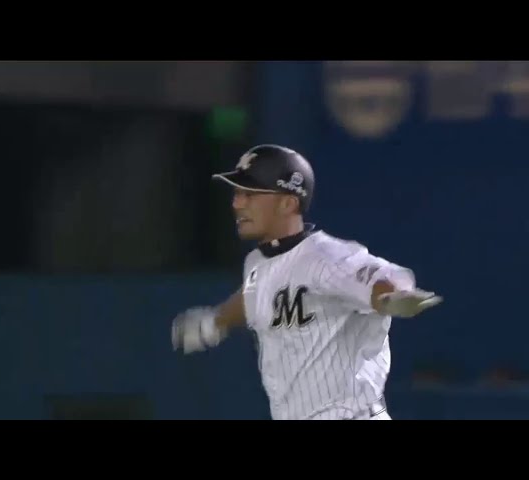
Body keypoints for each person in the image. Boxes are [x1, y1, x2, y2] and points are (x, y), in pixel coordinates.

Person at [171, 144, 442, 420]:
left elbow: (380, 278)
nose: (237, 203)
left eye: (250, 194)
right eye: (237, 193)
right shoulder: (257, 262)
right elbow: (255, 294)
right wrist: (217, 320)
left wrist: (392, 297)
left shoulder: (327, 258)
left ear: (288, 203)